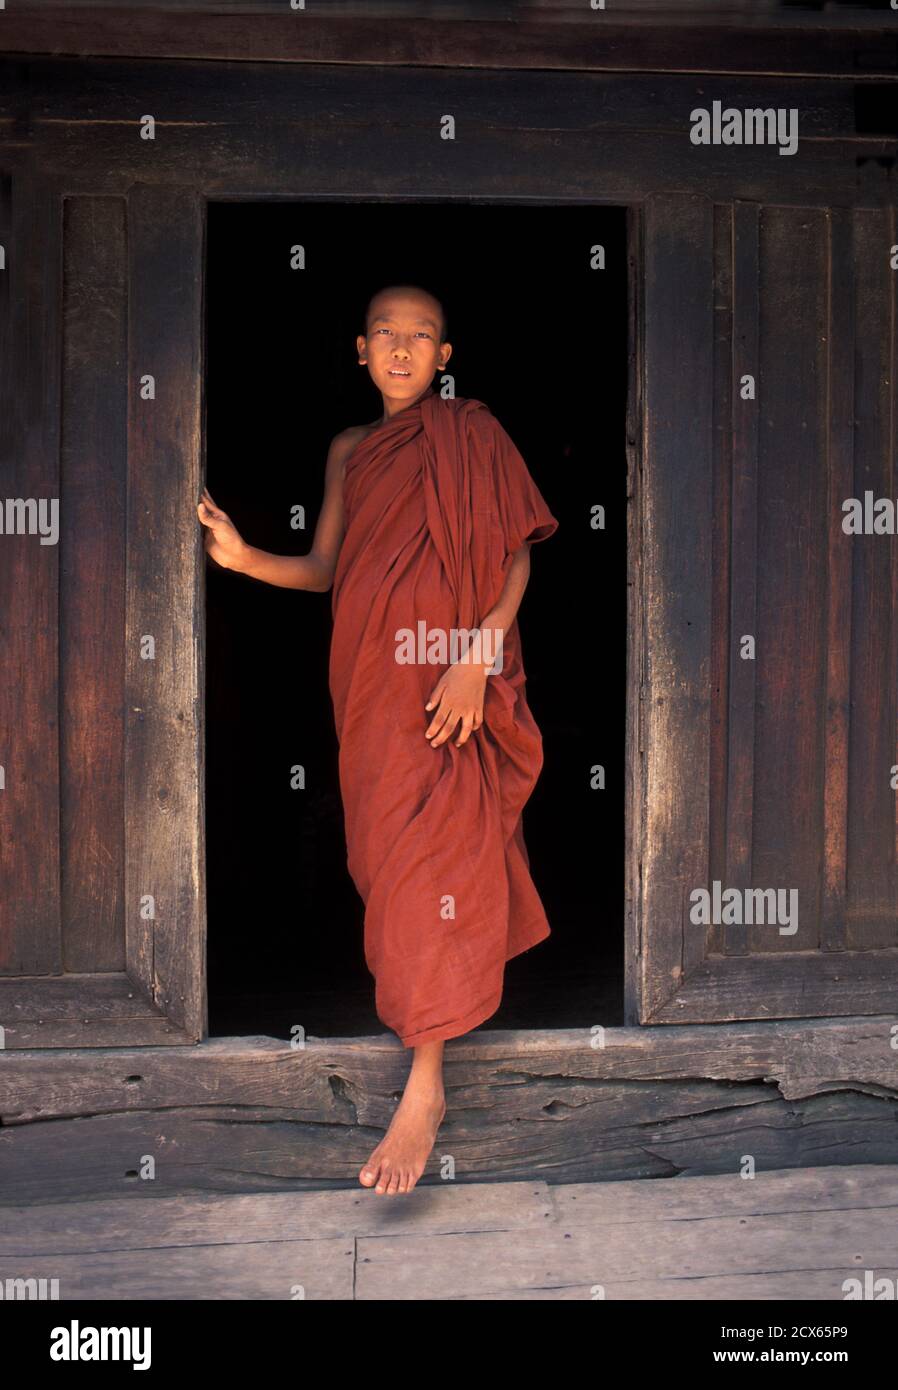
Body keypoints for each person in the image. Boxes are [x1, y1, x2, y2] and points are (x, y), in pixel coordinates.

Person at [198, 284, 558, 1196]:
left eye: (422, 337)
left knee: (437, 866)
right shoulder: (351, 449)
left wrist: (479, 654)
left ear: (446, 354)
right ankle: (424, 1055)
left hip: (453, 678)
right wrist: (243, 559)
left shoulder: (472, 432)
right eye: (386, 335)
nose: (403, 349)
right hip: (374, 693)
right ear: (360, 350)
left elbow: (517, 549)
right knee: (394, 871)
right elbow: (326, 569)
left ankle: (425, 1084)